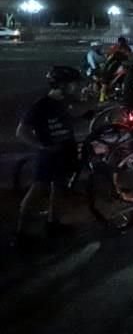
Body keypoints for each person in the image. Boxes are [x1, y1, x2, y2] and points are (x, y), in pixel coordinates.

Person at [14, 67, 86, 245]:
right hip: (49, 155)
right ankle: (21, 235)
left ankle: (53, 224)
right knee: (37, 191)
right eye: (73, 83)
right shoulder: (42, 105)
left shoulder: (63, 102)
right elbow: (21, 131)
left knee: (59, 187)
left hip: (64, 152)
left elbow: (71, 119)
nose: (76, 86)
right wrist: (43, 146)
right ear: (61, 85)